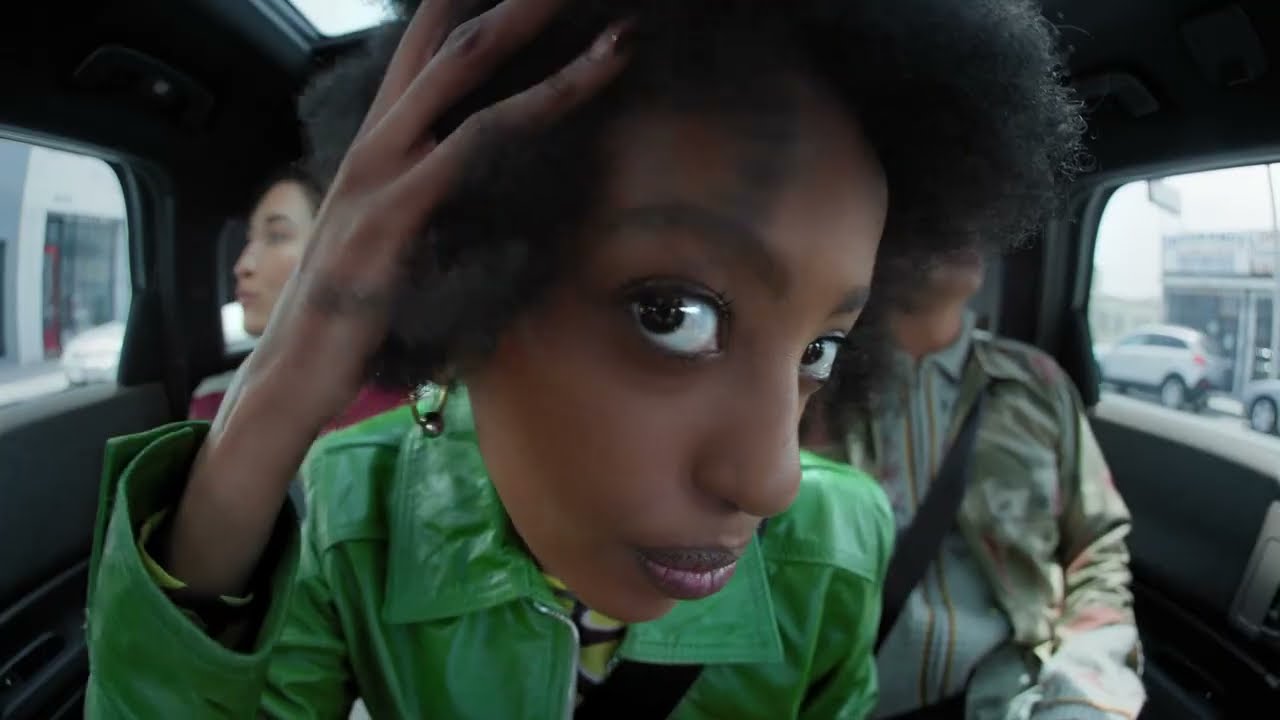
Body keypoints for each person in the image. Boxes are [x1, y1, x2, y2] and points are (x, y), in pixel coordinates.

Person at [84, 1, 1084, 717]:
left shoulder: (839, 538)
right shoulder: (346, 517)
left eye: (819, 347)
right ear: (460, 281)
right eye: (673, 314)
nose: (771, 479)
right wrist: (274, 402)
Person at [804, 251, 1145, 720]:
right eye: (930, 216)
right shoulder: (811, 388)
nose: (960, 232)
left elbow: (1097, 547)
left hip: (1019, 698)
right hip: (840, 701)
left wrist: (1081, 694)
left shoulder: (1036, 383)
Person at [188, 168, 406, 431]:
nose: (242, 266)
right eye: (249, 240)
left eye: (276, 236)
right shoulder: (215, 400)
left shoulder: (412, 406)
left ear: (346, 252)